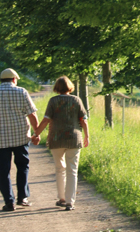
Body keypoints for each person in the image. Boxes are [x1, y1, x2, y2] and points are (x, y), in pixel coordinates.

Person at [0, 68, 40, 211]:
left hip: (0, 139)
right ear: (14, 79)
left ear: (1, 80)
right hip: (21, 137)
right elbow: (32, 115)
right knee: (22, 166)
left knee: (3, 171)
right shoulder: (22, 92)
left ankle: (9, 201)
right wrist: (36, 132)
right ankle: (23, 197)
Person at [34, 75, 89, 211]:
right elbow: (83, 120)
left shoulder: (53, 101)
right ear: (70, 87)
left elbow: (46, 120)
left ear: (57, 88)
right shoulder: (76, 100)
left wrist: (36, 134)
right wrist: (87, 136)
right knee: (72, 170)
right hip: (74, 138)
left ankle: (62, 198)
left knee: (59, 169)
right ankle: (70, 202)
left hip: (56, 138)